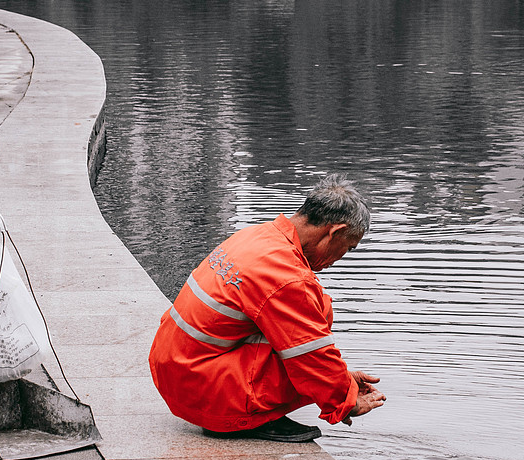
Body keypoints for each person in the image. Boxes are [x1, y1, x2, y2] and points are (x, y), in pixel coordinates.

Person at [149, 175, 387, 442]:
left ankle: (239, 407)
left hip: (176, 372)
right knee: (307, 330)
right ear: (334, 232)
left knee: (303, 321)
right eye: (347, 248)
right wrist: (346, 399)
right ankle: (243, 419)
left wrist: (342, 378)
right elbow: (311, 354)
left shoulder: (257, 236)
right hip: (201, 390)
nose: (339, 259)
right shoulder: (286, 275)